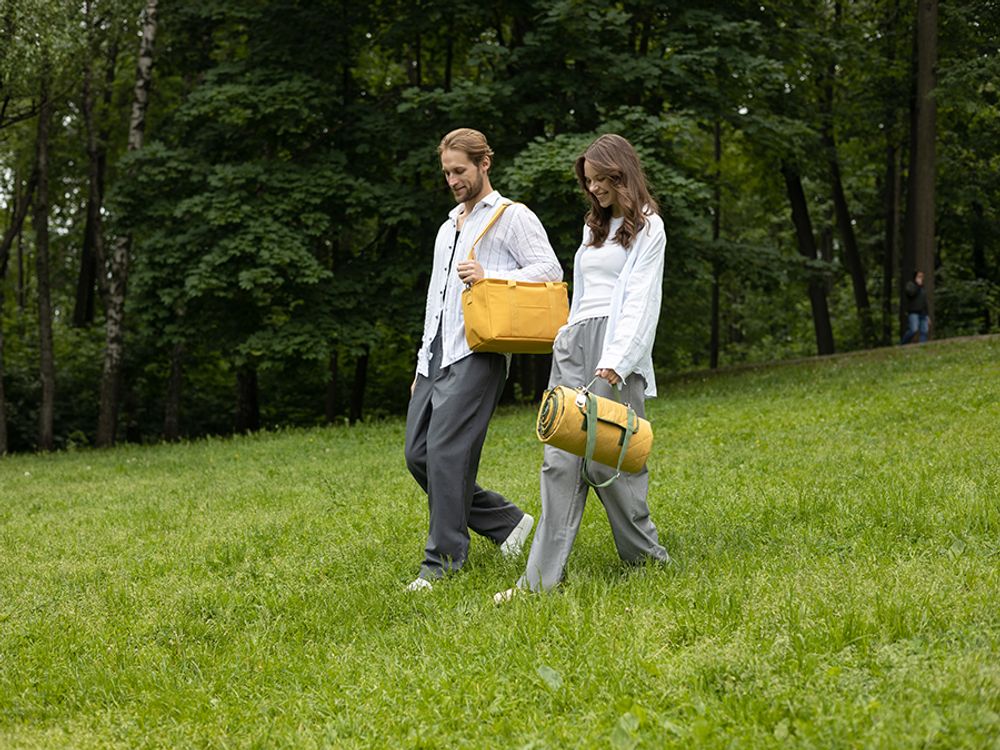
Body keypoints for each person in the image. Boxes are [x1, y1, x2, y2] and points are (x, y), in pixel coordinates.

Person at [496, 133, 670, 601]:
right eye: (588, 182)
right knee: (560, 460)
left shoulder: (649, 228)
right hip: (574, 344)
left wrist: (617, 360)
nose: (593, 189)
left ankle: (647, 559)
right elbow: (585, 290)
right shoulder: (593, 228)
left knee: (608, 458)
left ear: (621, 174)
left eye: (600, 180)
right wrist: (565, 340)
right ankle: (538, 584)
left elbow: (640, 299)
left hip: (614, 347)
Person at [404, 128, 563, 591]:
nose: (453, 180)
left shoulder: (512, 216)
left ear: (483, 164)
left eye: (460, 171)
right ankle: (508, 525)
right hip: (437, 352)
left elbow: (550, 271)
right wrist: (420, 364)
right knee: (419, 455)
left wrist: (489, 274)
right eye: (447, 172)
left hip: (478, 350)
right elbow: (436, 299)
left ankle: (443, 563)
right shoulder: (446, 226)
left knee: (448, 455)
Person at [901, 270, 931, 344]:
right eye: (919, 276)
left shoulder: (922, 288)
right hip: (914, 312)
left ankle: (922, 346)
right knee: (913, 330)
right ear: (915, 277)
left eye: (922, 277)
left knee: (924, 331)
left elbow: (924, 302)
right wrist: (917, 285)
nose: (921, 278)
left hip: (923, 313)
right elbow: (911, 294)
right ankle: (903, 343)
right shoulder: (910, 285)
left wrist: (927, 315)